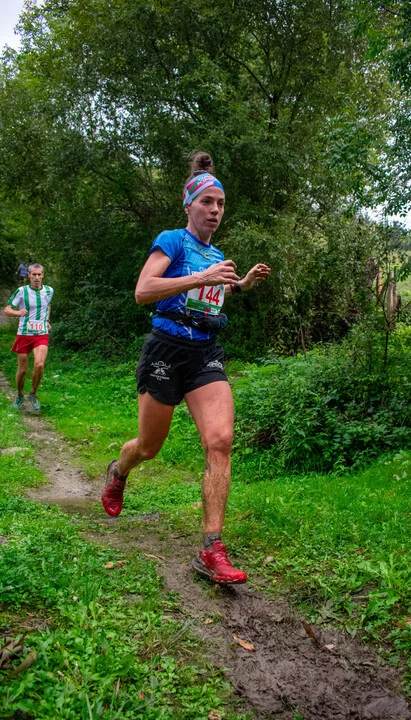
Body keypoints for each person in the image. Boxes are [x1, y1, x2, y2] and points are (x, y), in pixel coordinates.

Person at [101, 152, 270, 585]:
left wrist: (240, 285)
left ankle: (212, 548)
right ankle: (119, 471)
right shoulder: (172, 241)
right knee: (149, 447)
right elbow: (143, 290)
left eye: (220, 204)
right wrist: (201, 277)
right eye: (207, 202)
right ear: (189, 205)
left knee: (220, 441)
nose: (215, 210)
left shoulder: (218, 255)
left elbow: (211, 297)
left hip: (204, 352)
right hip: (165, 349)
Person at [3, 264, 53, 411]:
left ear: (43, 275)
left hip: (41, 333)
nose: (37, 277)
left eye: (39, 274)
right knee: (23, 369)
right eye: (34, 274)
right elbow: (7, 309)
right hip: (24, 334)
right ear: (29, 275)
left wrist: (47, 320)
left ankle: (33, 394)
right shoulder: (21, 291)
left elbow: (47, 306)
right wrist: (17, 313)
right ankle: (19, 394)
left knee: (39, 365)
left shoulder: (49, 291)